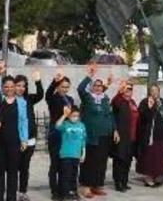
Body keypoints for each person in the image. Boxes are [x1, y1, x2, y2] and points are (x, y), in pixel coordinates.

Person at [77, 64, 118, 198]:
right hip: (91, 136)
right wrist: (90, 75)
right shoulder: (87, 98)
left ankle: (97, 185)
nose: (98, 87)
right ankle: (86, 186)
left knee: (101, 162)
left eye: (100, 86)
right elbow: (80, 88)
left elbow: (110, 115)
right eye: (96, 85)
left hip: (105, 136)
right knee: (90, 161)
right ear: (92, 87)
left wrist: (115, 130)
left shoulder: (105, 99)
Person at [0, 75, 29, 201]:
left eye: (12, 86)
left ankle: (11, 198)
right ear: (2, 88)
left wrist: (24, 139)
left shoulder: (22, 102)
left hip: (14, 142)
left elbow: (24, 122)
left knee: (13, 173)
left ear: (15, 87)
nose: (9, 89)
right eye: (6, 86)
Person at [46, 72, 76, 199]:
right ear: (58, 87)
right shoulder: (53, 98)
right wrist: (54, 81)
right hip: (55, 134)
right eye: (62, 86)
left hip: (67, 136)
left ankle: (65, 189)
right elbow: (47, 94)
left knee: (65, 164)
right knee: (55, 164)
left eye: (67, 87)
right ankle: (54, 191)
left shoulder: (70, 100)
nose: (64, 89)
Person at [14, 73, 44, 201]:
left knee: (25, 168)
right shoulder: (10, 100)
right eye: (18, 85)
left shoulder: (29, 99)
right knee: (14, 167)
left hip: (30, 139)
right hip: (16, 139)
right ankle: (12, 191)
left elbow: (41, 95)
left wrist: (38, 81)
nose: (21, 88)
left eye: (23, 86)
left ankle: (22, 192)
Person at [136, 84, 163, 187]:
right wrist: (149, 108)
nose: (154, 92)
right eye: (152, 90)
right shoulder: (145, 102)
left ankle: (158, 177)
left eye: (156, 90)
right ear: (149, 92)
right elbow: (142, 117)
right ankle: (149, 178)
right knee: (150, 157)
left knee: (160, 158)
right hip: (150, 136)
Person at [110, 80, 138, 192]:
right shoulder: (118, 100)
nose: (129, 91)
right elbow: (113, 103)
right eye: (127, 89)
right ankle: (118, 182)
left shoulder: (133, 102)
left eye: (130, 89)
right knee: (119, 159)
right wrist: (119, 92)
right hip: (121, 135)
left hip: (132, 136)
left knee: (128, 160)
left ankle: (125, 181)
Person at [56, 106, 87, 201]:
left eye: (77, 116)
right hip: (66, 154)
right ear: (69, 116)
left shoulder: (81, 125)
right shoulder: (65, 124)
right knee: (66, 174)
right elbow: (57, 126)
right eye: (73, 116)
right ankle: (64, 194)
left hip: (76, 154)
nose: (75, 118)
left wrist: (83, 153)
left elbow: (83, 140)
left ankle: (73, 191)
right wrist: (64, 115)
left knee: (74, 174)